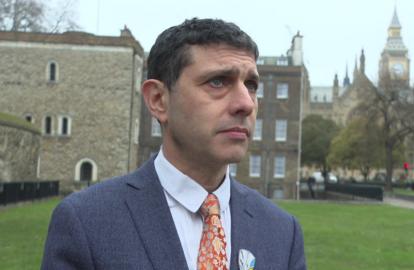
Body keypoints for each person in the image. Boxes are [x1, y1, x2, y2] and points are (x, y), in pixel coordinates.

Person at [41, 18, 306, 270]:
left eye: (250, 85)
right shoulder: (87, 222)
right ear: (158, 99)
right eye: (217, 81)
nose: (246, 103)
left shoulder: (283, 231)